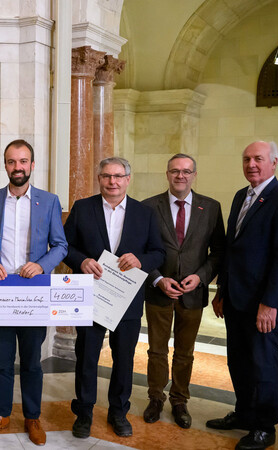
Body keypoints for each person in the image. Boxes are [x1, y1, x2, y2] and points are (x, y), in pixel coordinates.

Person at [207, 141, 278, 450]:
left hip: (265, 300)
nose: (251, 163)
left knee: (263, 362)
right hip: (236, 295)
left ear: (274, 163)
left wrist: (270, 303)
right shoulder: (241, 196)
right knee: (238, 359)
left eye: (258, 159)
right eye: (247, 158)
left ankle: (264, 426)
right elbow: (233, 250)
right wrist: (221, 290)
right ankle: (245, 413)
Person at [0, 140, 68, 446]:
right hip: (0, 291)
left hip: (33, 292)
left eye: (23, 161)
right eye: (12, 162)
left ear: (32, 165)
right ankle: (0, 414)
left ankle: (32, 417)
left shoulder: (49, 201)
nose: (18, 167)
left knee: (31, 361)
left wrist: (41, 266)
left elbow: (61, 245)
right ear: (5, 166)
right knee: (0, 360)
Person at [63, 157, 165, 439]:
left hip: (127, 299)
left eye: (118, 176)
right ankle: (83, 413)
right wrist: (82, 261)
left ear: (127, 179)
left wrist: (140, 260)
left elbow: (158, 253)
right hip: (91, 296)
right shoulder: (83, 208)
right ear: (99, 178)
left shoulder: (144, 213)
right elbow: (65, 245)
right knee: (86, 356)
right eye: (107, 176)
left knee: (124, 359)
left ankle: (118, 413)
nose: (113, 182)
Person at [142, 154, 225, 429]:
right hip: (158, 292)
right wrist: (157, 279)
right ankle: (155, 397)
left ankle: (179, 399)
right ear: (167, 174)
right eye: (175, 171)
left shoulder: (211, 208)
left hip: (192, 293)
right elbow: (141, 251)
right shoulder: (148, 207)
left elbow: (218, 252)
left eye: (186, 171)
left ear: (194, 175)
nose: (181, 176)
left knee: (185, 352)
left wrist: (201, 277)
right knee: (156, 350)